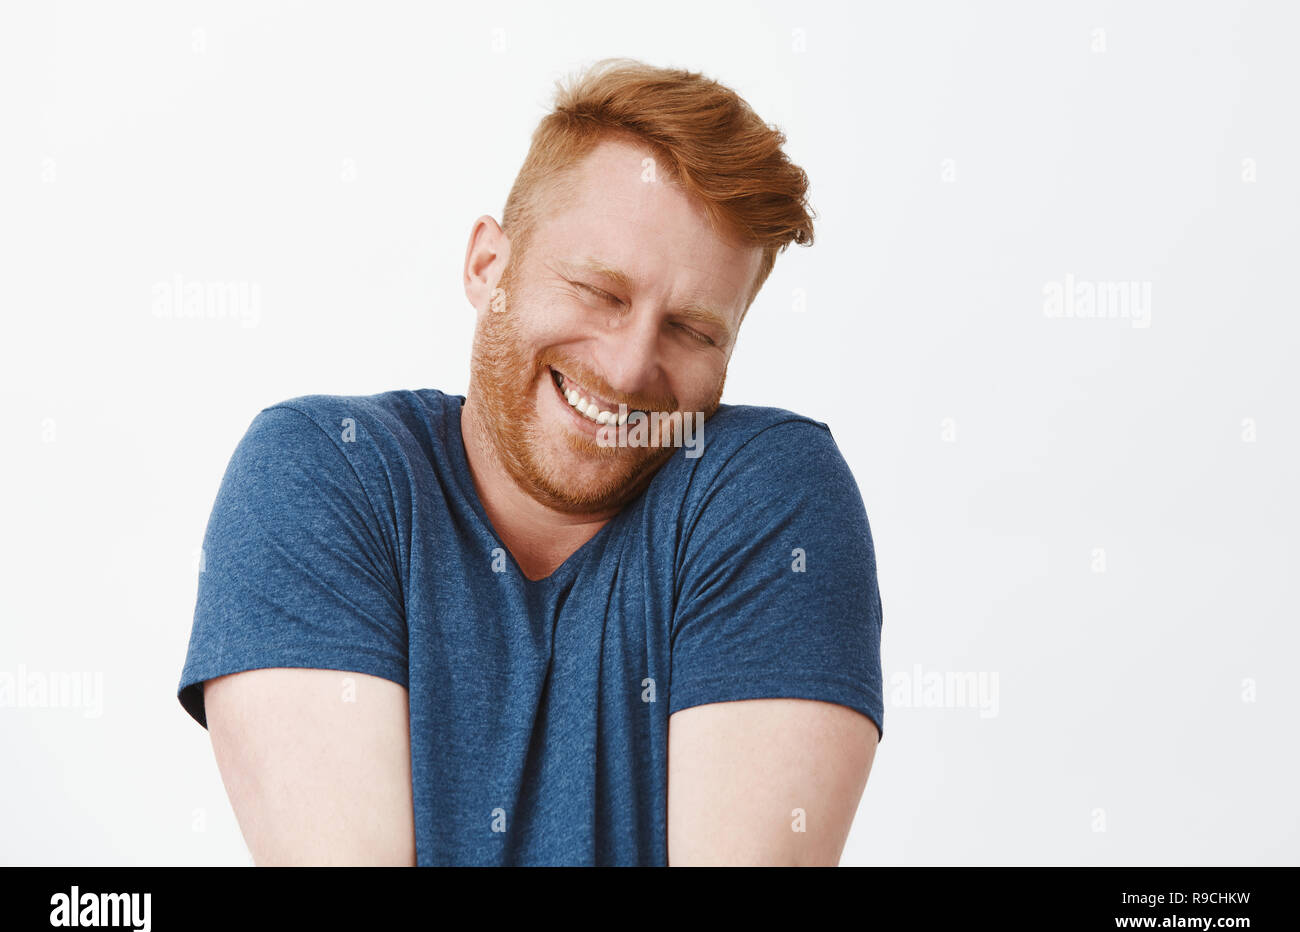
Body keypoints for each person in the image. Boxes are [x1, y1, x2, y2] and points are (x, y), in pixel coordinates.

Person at [177, 57, 885, 865]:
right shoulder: (322, 474)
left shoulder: (772, 494)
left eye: (692, 330)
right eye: (599, 291)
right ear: (488, 266)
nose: (627, 370)